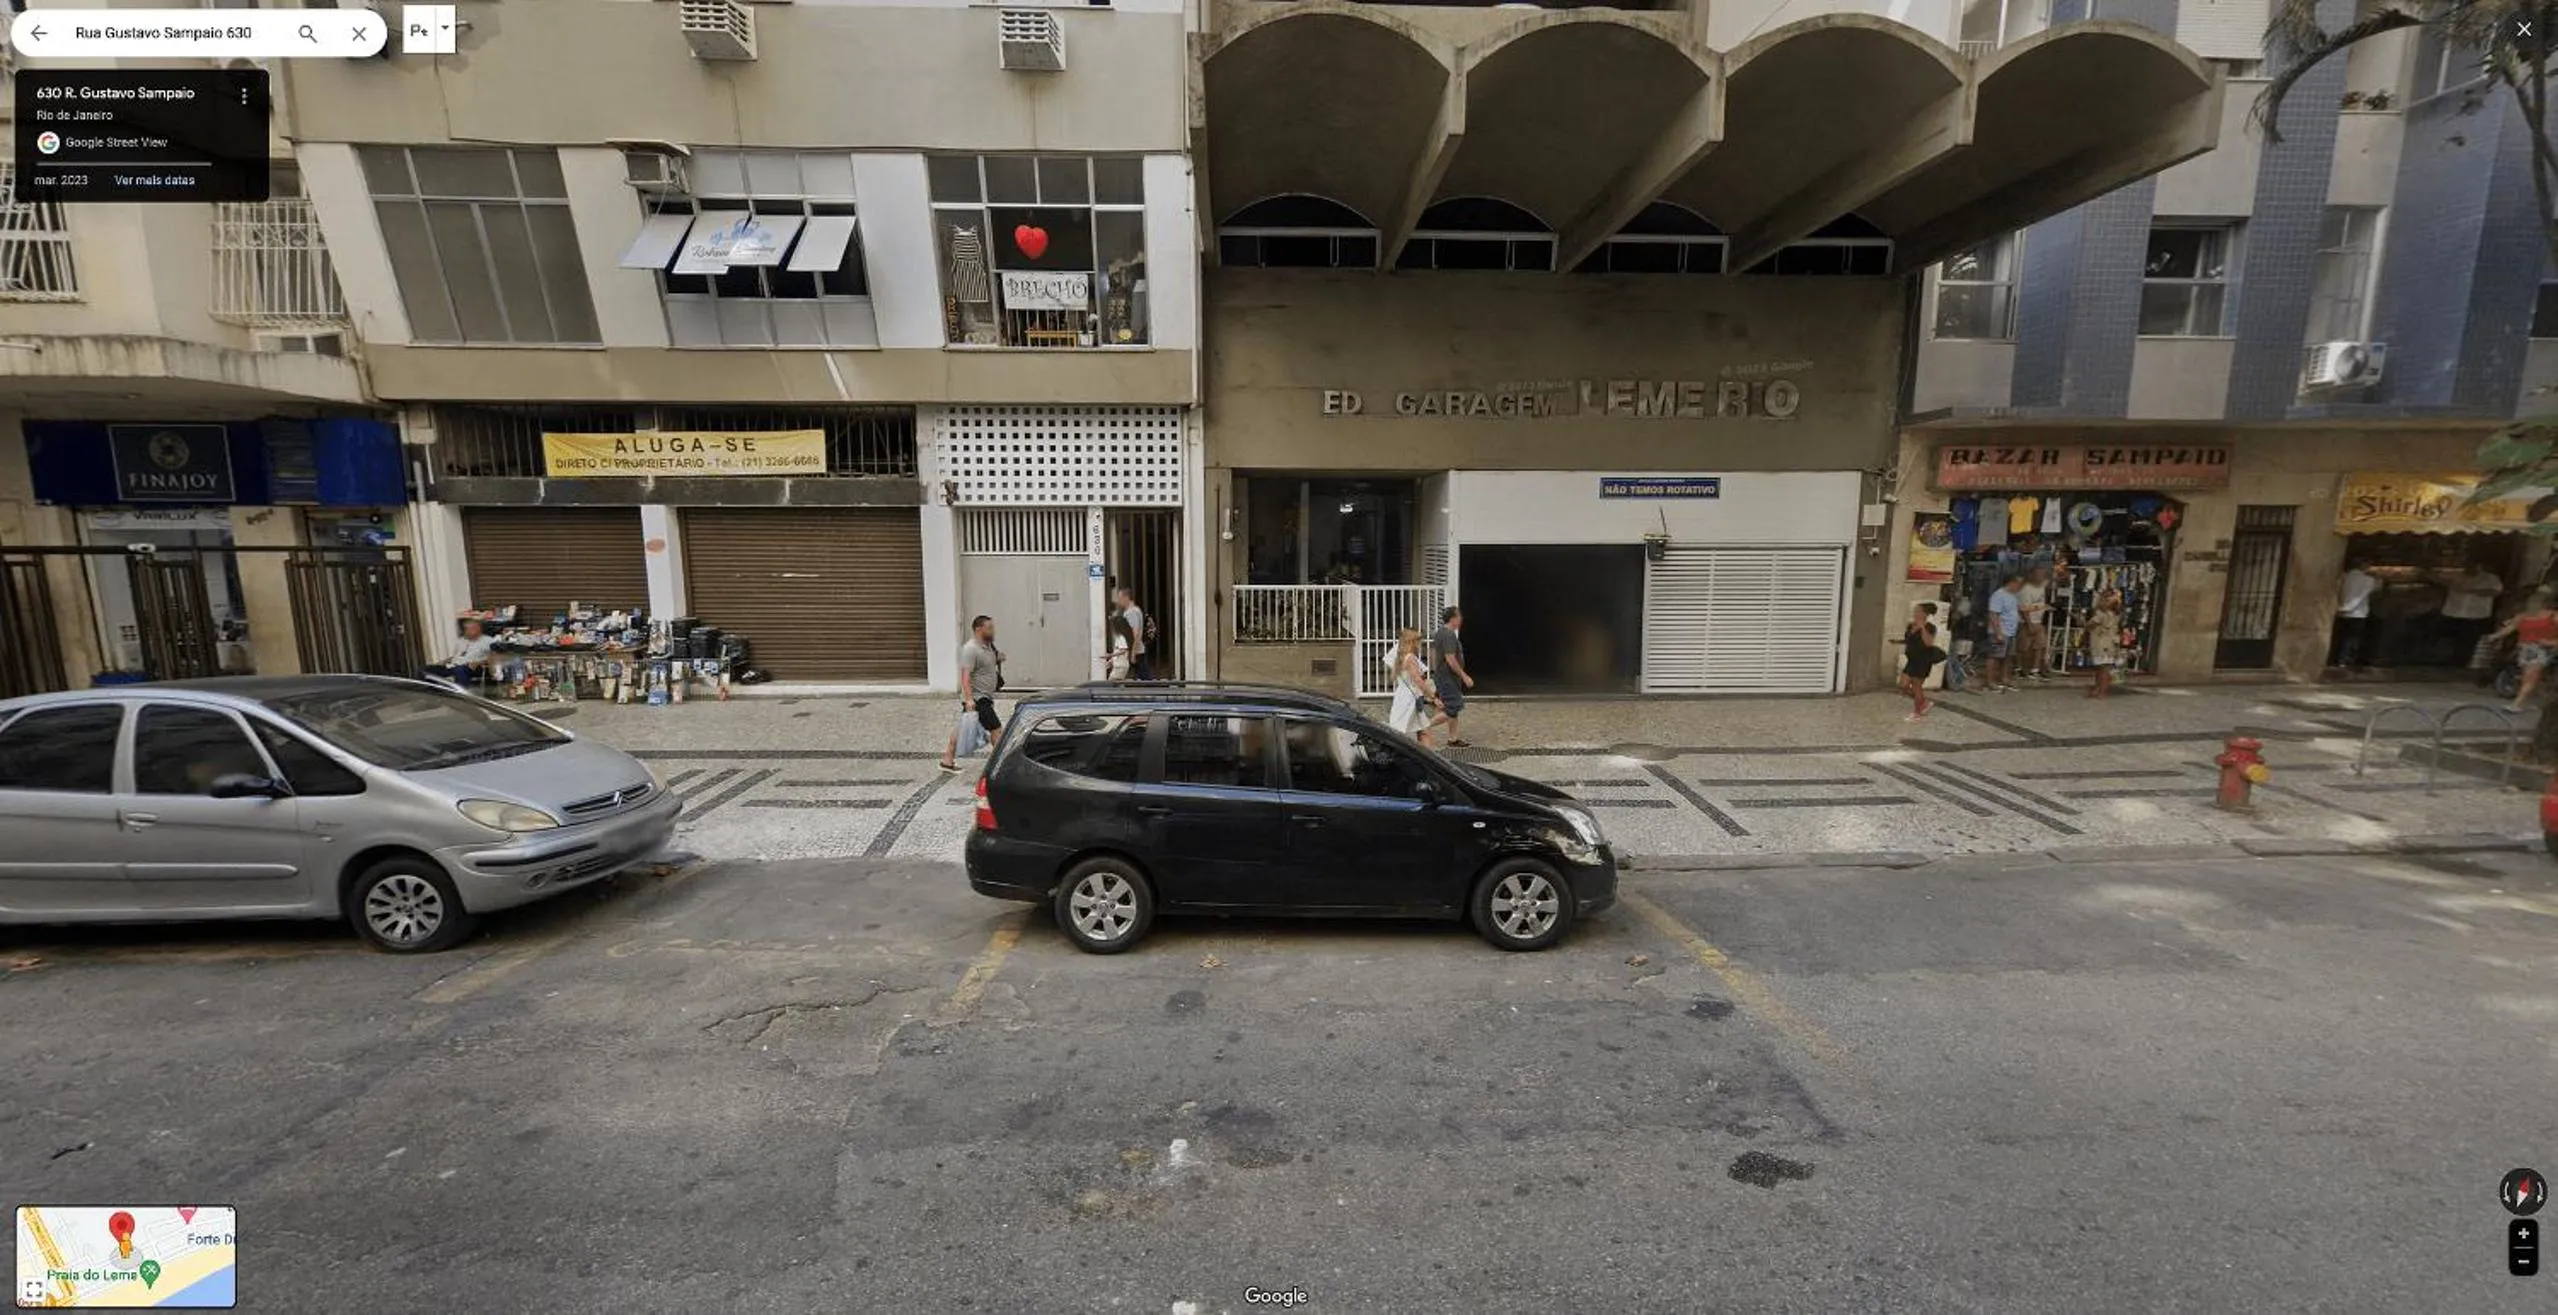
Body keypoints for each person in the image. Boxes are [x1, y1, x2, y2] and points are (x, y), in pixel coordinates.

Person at [940, 615, 1003, 773]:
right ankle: (1000, 764)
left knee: (962, 728)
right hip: (978, 698)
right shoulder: (970, 649)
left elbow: (984, 666)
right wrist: (968, 699)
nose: (992, 630)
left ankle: (947, 760)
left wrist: (998, 658)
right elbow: (965, 676)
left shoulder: (988, 646)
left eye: (992, 627)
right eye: (989, 627)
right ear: (978, 629)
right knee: (996, 729)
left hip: (984, 697)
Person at [2490, 592, 2558, 711]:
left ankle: (2517, 704)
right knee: (2527, 676)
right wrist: (2495, 636)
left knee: (2530, 677)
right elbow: (2509, 629)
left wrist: (2550, 642)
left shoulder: (2554, 616)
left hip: (2541, 649)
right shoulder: (2523, 616)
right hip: (2524, 648)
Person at [1386, 627, 1446, 748]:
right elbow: (1418, 681)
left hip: (1403, 697)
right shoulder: (1410, 658)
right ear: (1412, 641)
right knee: (1410, 732)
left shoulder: (1400, 657)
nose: (1421, 643)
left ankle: (1428, 760)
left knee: (1423, 731)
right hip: (1410, 700)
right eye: (1418, 640)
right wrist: (1433, 698)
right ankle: (1428, 761)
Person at [2441, 564, 2504, 665]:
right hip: (2452, 613)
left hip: (2475, 616)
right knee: (2450, 641)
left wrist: (2472, 591)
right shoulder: (2456, 576)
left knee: (2468, 642)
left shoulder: (2490, 578)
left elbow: (2495, 592)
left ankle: (2461, 664)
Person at [1430, 605, 1474, 747]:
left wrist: (1435, 672)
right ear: (1453, 618)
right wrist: (1464, 676)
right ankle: (1422, 727)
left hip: (1444, 676)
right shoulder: (1448, 635)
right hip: (1447, 677)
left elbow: (1433, 655)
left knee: (1450, 708)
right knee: (1453, 707)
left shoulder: (1440, 633)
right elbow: (1450, 659)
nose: (1461, 619)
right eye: (1459, 616)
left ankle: (1453, 738)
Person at [1899, 602, 1944, 721]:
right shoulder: (1910, 625)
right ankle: (1923, 702)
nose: (1915, 613)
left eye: (1918, 611)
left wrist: (1922, 627)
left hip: (1922, 660)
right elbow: (1908, 640)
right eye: (1915, 611)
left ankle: (1917, 713)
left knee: (1916, 686)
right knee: (1903, 685)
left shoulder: (1930, 627)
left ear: (1924, 614)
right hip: (1912, 659)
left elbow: (1928, 643)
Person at [2331, 561, 2378, 670]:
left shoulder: (2344, 577)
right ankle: (2346, 660)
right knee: (2352, 638)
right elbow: (2364, 595)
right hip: (2358, 613)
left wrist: (2342, 607)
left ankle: (2336, 658)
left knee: (2341, 636)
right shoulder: (2368, 580)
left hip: (2341, 611)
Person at [422, 619, 496, 686]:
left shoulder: (488, 641)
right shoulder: (461, 641)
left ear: (477, 629)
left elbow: (495, 658)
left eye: (468, 629)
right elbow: (456, 656)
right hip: (453, 665)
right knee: (426, 669)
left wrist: (479, 662)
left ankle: (462, 693)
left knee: (460, 669)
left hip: (473, 667)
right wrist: (444, 661)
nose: (465, 631)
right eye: (465, 629)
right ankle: (434, 692)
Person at [1983, 575, 2023, 693]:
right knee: (1993, 656)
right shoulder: (1998, 595)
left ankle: (2004, 679)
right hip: (2000, 631)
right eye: (2018, 584)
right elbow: (1993, 614)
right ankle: (1990, 682)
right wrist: (1998, 632)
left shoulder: (2013, 596)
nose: (2019, 587)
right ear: (2011, 582)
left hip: (2011, 631)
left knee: (2007, 657)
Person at [2084, 589, 2124, 700]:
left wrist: (2082, 621)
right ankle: (2098, 689)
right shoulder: (2115, 615)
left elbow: (2090, 625)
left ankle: (2102, 690)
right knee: (2101, 668)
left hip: (2102, 645)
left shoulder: (2102, 615)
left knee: (2103, 669)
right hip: (2108, 643)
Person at [2015, 566, 2052, 681]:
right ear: (2031, 576)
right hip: (2027, 621)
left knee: (2040, 646)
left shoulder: (2041, 586)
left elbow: (2052, 580)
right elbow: (2023, 609)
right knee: (2024, 647)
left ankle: (2035, 669)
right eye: (2038, 574)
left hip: (2038, 621)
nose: (2041, 577)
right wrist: (2029, 624)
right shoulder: (2026, 589)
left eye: (2042, 574)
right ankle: (2020, 668)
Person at [1114, 587, 1151, 681]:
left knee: (1145, 678)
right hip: (1136, 650)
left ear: (1126, 597)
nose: (1118, 601)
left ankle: (1160, 691)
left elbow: (1135, 634)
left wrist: (1133, 653)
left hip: (1136, 651)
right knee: (1141, 678)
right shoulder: (1135, 610)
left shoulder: (1131, 613)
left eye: (1120, 598)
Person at [1102, 611, 1135, 681]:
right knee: (1117, 685)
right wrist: (1111, 661)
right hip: (1119, 665)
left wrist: (1110, 655)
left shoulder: (1121, 637)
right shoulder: (1119, 637)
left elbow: (1123, 651)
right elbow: (1119, 651)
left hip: (1120, 666)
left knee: (1111, 683)